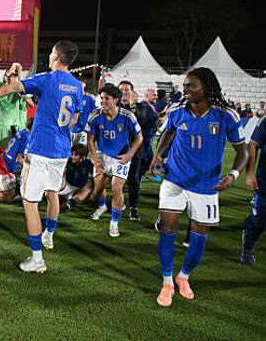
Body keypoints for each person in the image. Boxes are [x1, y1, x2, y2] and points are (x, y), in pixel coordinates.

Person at [0, 40, 83, 272]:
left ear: (56, 56)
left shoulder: (47, 79)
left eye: (51, 53)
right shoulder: (77, 85)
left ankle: (37, 259)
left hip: (41, 149)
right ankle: (48, 235)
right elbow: (74, 117)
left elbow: (10, 89)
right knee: (52, 193)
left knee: (30, 202)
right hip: (62, 150)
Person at [149, 67, 248, 307]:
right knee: (168, 229)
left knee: (199, 238)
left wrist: (233, 175)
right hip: (175, 180)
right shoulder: (177, 110)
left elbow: (243, 152)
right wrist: (157, 156)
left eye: (191, 85)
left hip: (206, 186)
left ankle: (183, 276)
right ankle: (167, 282)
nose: (185, 89)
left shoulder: (226, 116)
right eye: (184, 85)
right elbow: (168, 133)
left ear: (207, 88)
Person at [85, 83, 143, 237]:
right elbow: (90, 140)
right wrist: (96, 161)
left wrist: (129, 155)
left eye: (107, 98)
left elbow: (139, 138)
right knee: (98, 189)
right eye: (102, 98)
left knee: (117, 187)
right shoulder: (94, 116)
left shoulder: (128, 116)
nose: (103, 101)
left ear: (116, 100)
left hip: (121, 157)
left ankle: (114, 224)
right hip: (102, 156)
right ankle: (102, 206)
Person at [118, 82, 159, 221]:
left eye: (127, 90)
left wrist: (132, 106)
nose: (124, 92)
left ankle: (133, 209)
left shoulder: (141, 107)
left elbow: (140, 120)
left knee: (133, 179)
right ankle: (115, 203)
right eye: (122, 90)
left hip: (135, 149)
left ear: (132, 92)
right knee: (116, 179)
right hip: (117, 149)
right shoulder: (114, 106)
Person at [242, 116, 266, 264]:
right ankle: (248, 246)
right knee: (259, 221)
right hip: (264, 181)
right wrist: (250, 173)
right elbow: (253, 144)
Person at [59, 144, 95, 212]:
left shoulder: (88, 163)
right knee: (63, 172)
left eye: (75, 155)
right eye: (72, 154)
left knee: (88, 189)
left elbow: (95, 177)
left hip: (77, 190)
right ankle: (54, 193)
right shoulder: (67, 160)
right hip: (65, 185)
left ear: (82, 156)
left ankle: (69, 203)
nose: (72, 157)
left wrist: (92, 191)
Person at [70, 77, 97, 145]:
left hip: (84, 129)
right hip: (73, 129)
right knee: (71, 149)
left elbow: (95, 112)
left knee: (82, 149)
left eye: (80, 83)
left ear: (84, 84)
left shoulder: (89, 98)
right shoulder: (72, 97)